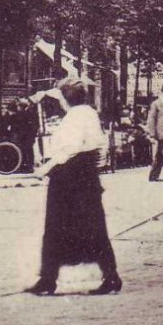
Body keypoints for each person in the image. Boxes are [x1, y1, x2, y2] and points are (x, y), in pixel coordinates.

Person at [26, 79, 121, 296]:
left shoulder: (74, 118)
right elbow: (100, 145)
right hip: (86, 176)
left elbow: (68, 150)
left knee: (55, 227)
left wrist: (45, 169)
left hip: (68, 177)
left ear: (65, 99)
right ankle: (111, 275)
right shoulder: (89, 113)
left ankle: (48, 279)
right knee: (94, 228)